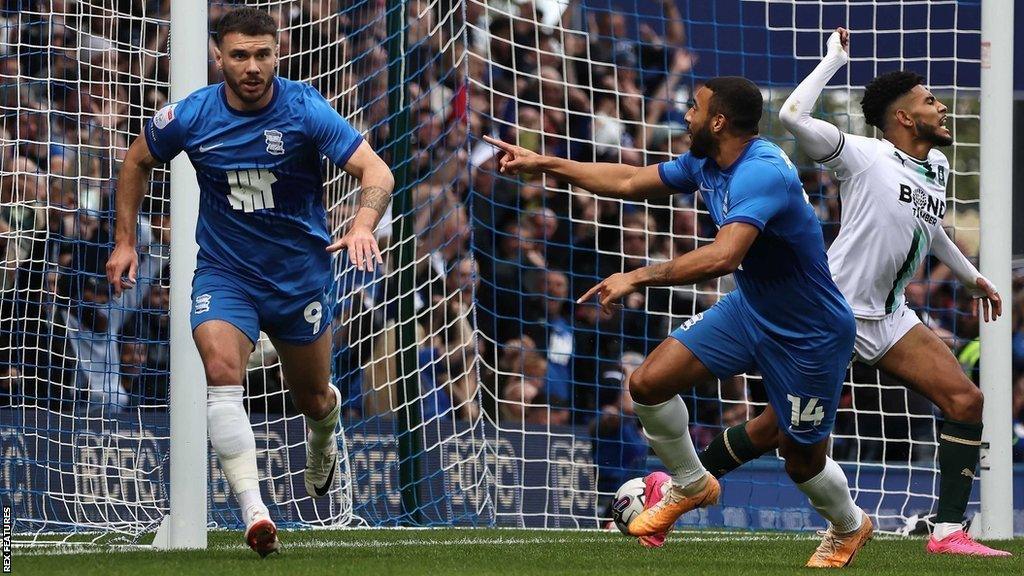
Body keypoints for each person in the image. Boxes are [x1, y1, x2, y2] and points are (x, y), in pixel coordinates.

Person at [484, 76, 870, 568]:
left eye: (694, 107)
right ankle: (690, 484)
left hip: (810, 333)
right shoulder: (705, 163)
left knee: (800, 460)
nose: (685, 115)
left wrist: (638, 276)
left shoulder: (763, 171)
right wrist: (546, 164)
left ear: (719, 120)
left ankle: (850, 525)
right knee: (647, 382)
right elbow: (626, 180)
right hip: (750, 309)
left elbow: (725, 256)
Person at [695, 29, 1009, 558]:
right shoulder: (863, 155)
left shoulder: (938, 166)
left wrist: (970, 275)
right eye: (930, 101)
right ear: (905, 118)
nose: (941, 107)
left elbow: (928, 227)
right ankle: (678, 487)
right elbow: (793, 116)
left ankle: (948, 532)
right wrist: (832, 61)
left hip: (889, 317)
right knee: (774, 429)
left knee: (966, 399)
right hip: (830, 313)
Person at [105, 8, 394, 557]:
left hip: (297, 279)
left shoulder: (305, 109)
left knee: (311, 397)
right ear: (219, 56)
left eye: (263, 54)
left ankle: (323, 435)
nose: (253, 67)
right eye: (240, 55)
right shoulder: (190, 116)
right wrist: (124, 241)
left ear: (278, 53)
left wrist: (361, 226)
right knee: (219, 370)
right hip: (225, 271)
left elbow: (377, 172)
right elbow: (137, 159)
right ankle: (254, 512)